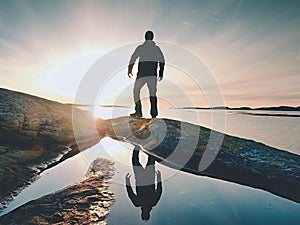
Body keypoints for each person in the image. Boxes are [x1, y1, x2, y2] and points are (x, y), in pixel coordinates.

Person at [128, 30, 165, 118]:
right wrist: (160, 73)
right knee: (152, 93)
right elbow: (162, 61)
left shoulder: (141, 47)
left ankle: (139, 111)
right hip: (151, 74)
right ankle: (153, 114)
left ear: (145, 37)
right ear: (152, 38)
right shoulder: (156, 49)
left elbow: (133, 58)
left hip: (142, 74)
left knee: (136, 91)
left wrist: (129, 70)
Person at [125, 146, 162, 221]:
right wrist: (159, 178)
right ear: (147, 213)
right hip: (147, 177)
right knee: (149, 159)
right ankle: (152, 144)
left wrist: (127, 181)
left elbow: (130, 193)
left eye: (144, 214)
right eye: (145, 214)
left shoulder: (138, 203)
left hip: (141, 177)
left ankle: (138, 145)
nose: (144, 213)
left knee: (136, 160)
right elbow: (159, 190)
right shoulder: (151, 202)